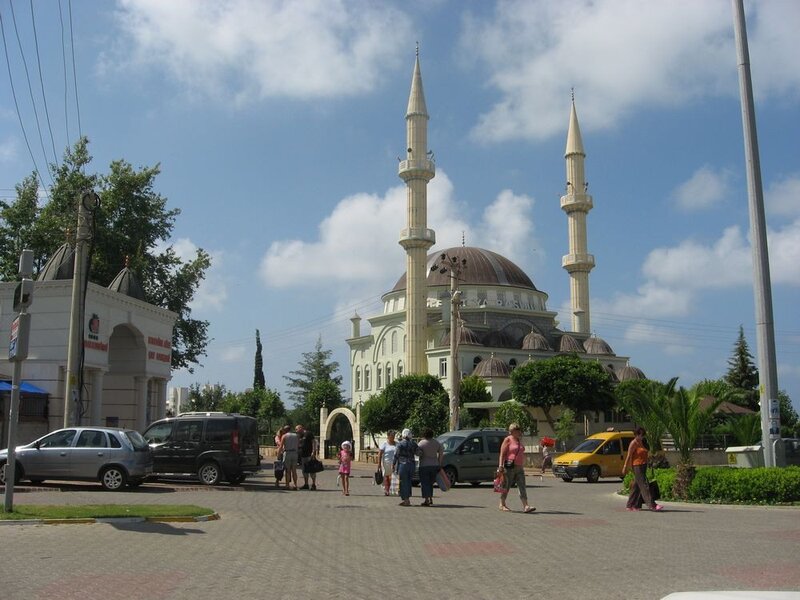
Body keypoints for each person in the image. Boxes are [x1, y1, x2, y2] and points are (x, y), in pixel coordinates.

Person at [623, 426, 663, 511]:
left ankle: (631, 505)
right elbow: (629, 456)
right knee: (644, 485)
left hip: (643, 465)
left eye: (642, 434)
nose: (641, 436)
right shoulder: (633, 443)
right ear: (636, 434)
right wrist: (625, 467)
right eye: (640, 434)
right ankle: (652, 505)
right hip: (637, 466)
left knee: (636, 486)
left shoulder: (641, 442)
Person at [497, 423, 535, 513]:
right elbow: (502, 454)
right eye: (517, 430)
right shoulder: (507, 440)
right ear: (512, 431)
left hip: (519, 467)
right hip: (509, 466)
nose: (519, 432)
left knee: (522, 486)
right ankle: (502, 504)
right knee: (506, 486)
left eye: (519, 430)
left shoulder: (519, 440)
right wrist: (500, 466)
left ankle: (526, 506)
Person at [417, 427, 443, 506]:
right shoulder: (436, 443)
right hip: (434, 465)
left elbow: (418, 453)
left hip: (424, 466)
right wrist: (439, 463)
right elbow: (441, 453)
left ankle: (426, 500)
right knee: (431, 483)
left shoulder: (421, 443)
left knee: (425, 483)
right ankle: (430, 498)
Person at [393, 428, 418, 507]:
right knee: (409, 482)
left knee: (403, 482)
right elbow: (419, 452)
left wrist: (393, 464)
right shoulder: (413, 444)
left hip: (403, 465)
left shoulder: (400, 444)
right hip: (412, 465)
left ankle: (406, 500)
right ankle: (407, 498)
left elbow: (396, 455)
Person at [278, 425, 299, 490]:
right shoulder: (296, 436)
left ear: (285, 430)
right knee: (294, 470)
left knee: (287, 470)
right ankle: (295, 485)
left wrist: (278, 455)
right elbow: (298, 445)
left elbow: (281, 446)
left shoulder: (284, 436)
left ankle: (287, 485)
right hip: (295, 453)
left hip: (287, 453)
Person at [377, 430, 397, 496]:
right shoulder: (384, 444)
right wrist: (379, 464)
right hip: (386, 463)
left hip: (395, 463)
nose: (393, 437)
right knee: (386, 477)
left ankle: (393, 490)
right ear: (388, 436)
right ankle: (386, 490)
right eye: (391, 436)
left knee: (394, 477)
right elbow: (380, 454)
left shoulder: (397, 444)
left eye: (394, 436)